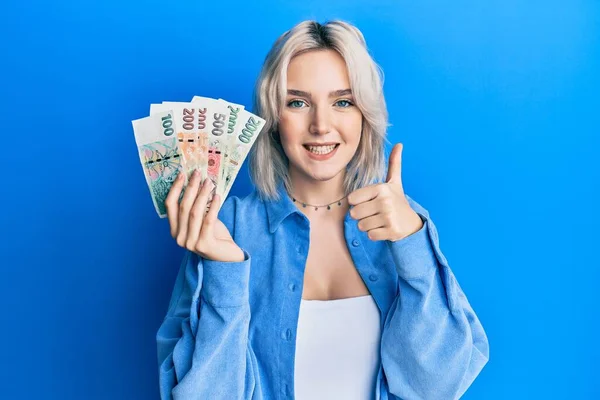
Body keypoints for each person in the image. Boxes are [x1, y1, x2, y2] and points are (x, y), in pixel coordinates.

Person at [156, 20, 489, 400]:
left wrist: (413, 242)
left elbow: (436, 387)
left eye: (342, 102)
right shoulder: (223, 227)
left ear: (365, 115)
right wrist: (224, 272)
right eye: (297, 102)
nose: (320, 125)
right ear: (272, 119)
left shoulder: (399, 219)